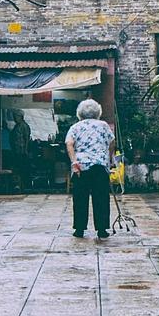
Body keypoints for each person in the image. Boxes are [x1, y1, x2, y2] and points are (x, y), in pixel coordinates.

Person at [64, 99, 115, 238]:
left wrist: (74, 161)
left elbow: (69, 143)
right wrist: (108, 159)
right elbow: (111, 142)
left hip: (81, 167)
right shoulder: (103, 125)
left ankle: (79, 229)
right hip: (99, 166)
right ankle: (102, 229)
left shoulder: (75, 127)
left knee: (80, 198)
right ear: (98, 112)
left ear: (79, 113)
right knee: (101, 197)